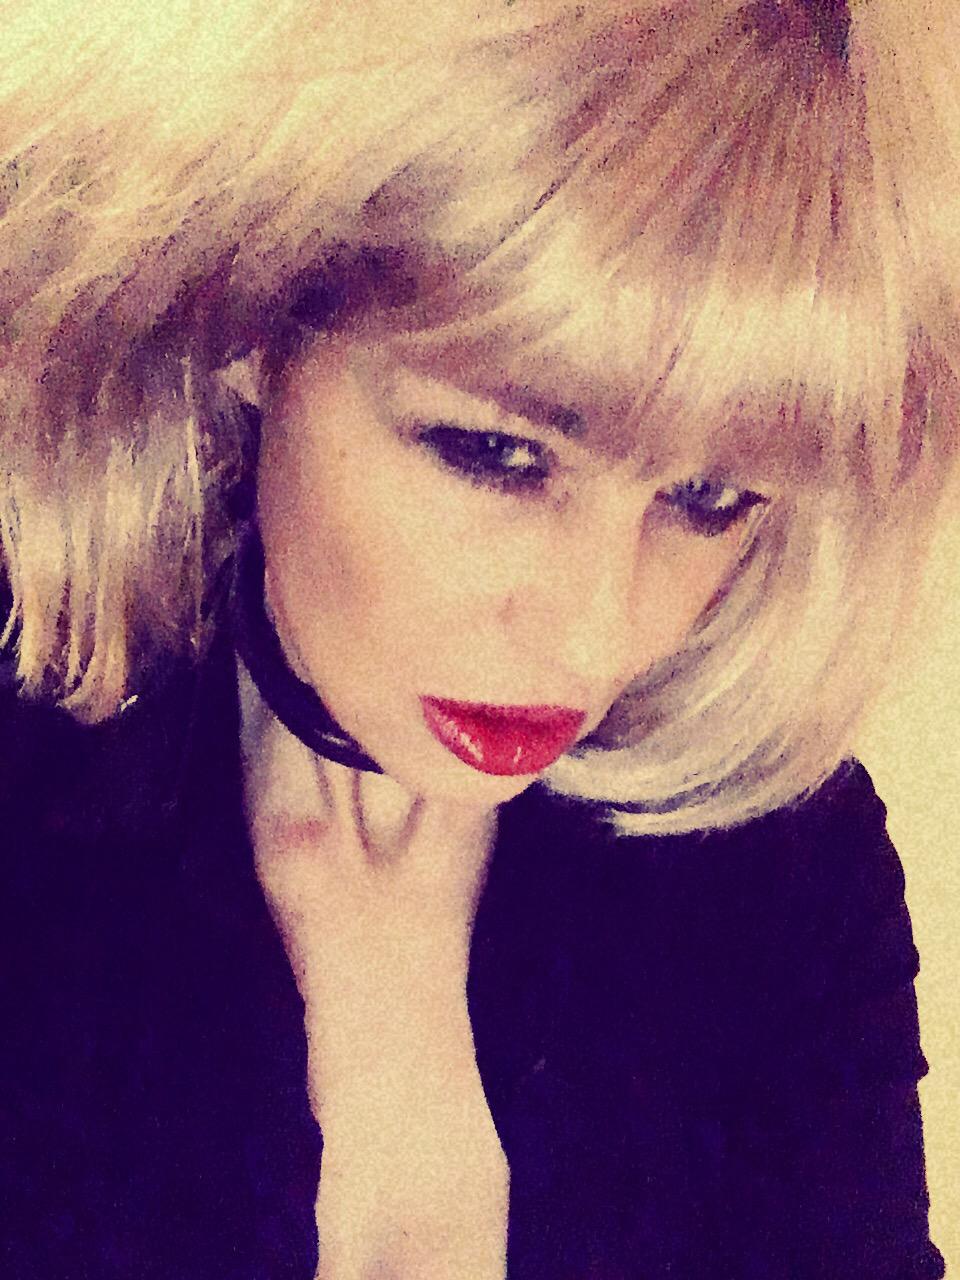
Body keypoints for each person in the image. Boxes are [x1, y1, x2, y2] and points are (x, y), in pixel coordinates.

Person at [0, 0, 957, 1275]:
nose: (594, 634)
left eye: (708, 497)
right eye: (499, 453)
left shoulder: (779, 878)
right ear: (248, 322)